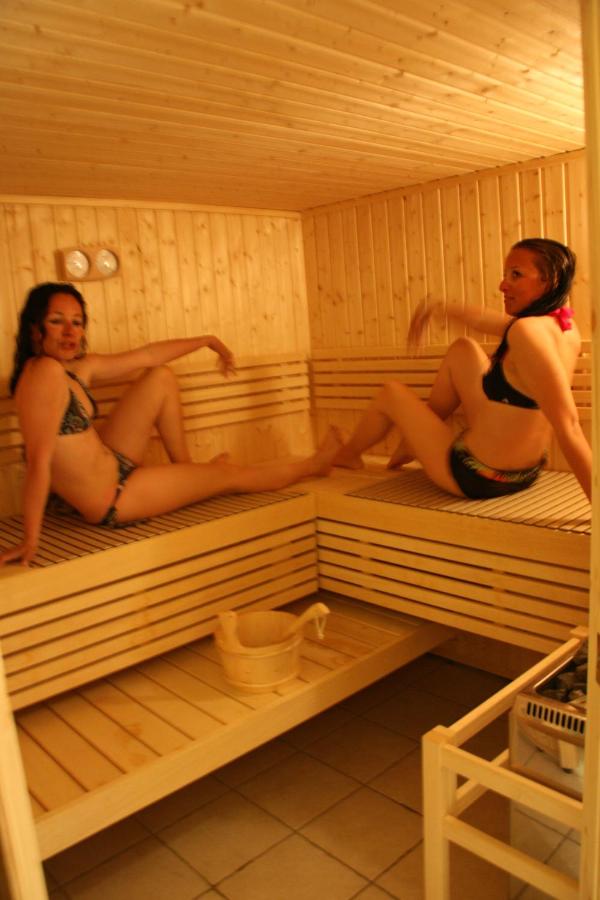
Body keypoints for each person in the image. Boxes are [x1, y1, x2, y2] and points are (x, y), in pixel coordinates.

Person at [0, 282, 342, 567]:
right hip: (114, 497)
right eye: (57, 321)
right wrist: (30, 539)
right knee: (230, 475)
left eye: (77, 322)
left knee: (159, 377)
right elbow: (39, 461)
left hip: (112, 463)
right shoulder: (44, 373)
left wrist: (208, 340)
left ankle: (191, 474)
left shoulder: (74, 368)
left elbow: (147, 356)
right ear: (35, 328)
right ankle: (314, 465)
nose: (70, 331)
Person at [333, 238, 591, 502]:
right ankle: (414, 442)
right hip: (526, 472)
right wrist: (437, 309)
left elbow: (569, 426)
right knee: (463, 349)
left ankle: (349, 454)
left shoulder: (525, 332)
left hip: (478, 476)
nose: (503, 285)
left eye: (516, 275)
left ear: (550, 280)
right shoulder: (564, 327)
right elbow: (484, 320)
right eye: (505, 275)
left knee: (391, 393)